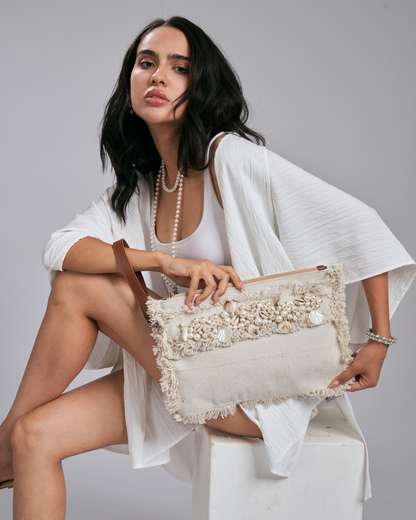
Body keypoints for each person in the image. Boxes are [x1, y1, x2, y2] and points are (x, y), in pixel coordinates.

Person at [0, 16, 414, 519]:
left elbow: (361, 227)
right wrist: (162, 261)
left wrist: (378, 340)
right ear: (130, 80)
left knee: (77, 289)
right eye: (146, 63)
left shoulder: (229, 158)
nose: (158, 76)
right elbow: (60, 247)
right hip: (181, 368)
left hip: (252, 388)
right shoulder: (140, 189)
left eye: (179, 68)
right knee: (34, 436)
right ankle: (9, 442)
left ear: (201, 87)